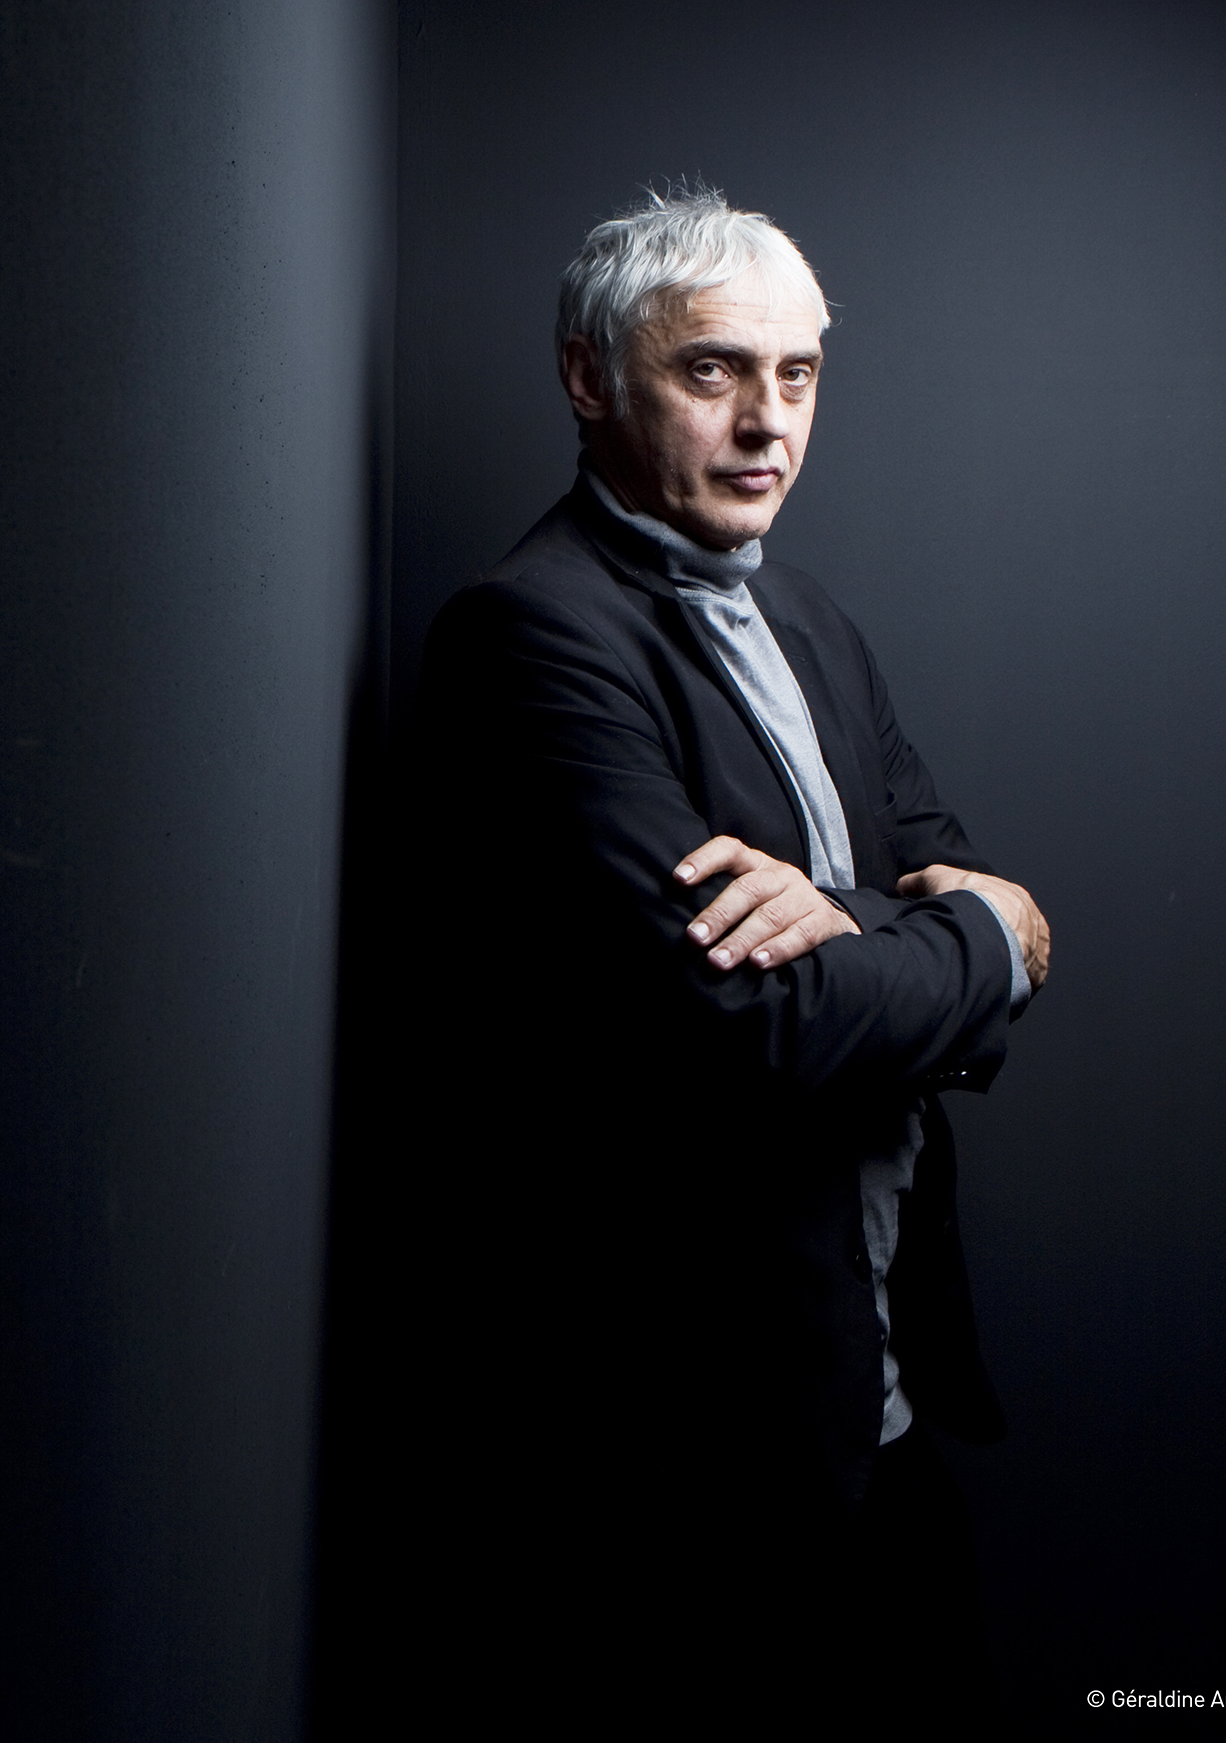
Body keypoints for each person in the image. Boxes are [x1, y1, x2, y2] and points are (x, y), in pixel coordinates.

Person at [413, 185, 1050, 1722]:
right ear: (591, 378)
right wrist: (990, 933)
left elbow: (948, 890)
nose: (769, 423)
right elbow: (759, 1018)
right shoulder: (531, 636)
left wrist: (901, 927)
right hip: (694, 1465)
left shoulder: (812, 621)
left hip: (881, 1404)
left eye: (798, 374)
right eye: (713, 371)